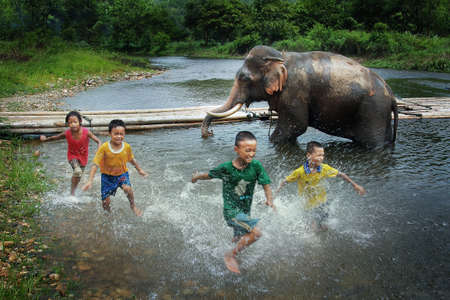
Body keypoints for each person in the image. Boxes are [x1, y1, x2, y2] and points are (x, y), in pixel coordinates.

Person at [191, 131, 275, 274]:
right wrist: (197, 177)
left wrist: (269, 200)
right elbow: (209, 175)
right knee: (256, 233)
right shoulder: (226, 168)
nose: (251, 154)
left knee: (239, 238)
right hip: (231, 211)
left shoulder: (256, 166)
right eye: (248, 150)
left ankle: (225, 256)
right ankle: (230, 255)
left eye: (254, 150)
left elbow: (266, 184)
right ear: (236, 149)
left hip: (245, 211)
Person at [277, 141, 366, 232]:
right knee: (312, 229)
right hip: (308, 206)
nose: (321, 158)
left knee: (324, 227)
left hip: (322, 203)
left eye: (322, 155)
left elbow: (341, 174)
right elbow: (285, 181)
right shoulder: (300, 172)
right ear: (309, 155)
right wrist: (274, 194)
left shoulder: (324, 168)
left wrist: (355, 185)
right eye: (318, 155)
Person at [82, 119, 148, 216]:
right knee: (106, 202)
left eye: (121, 134)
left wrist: (139, 170)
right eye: (116, 134)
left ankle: (133, 206)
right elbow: (95, 164)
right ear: (110, 134)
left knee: (127, 189)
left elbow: (131, 159)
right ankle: (108, 214)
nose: (119, 136)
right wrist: (90, 180)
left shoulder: (126, 147)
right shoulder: (104, 148)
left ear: (125, 134)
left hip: (122, 175)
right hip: (107, 177)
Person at [40, 111, 101, 195]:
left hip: (83, 158)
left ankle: (72, 191)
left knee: (78, 176)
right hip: (72, 156)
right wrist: (45, 139)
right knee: (77, 171)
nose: (73, 124)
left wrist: (99, 151)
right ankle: (72, 194)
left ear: (80, 122)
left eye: (75, 122)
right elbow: (55, 137)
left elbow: (98, 141)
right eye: (70, 123)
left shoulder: (86, 132)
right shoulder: (67, 133)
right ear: (68, 124)